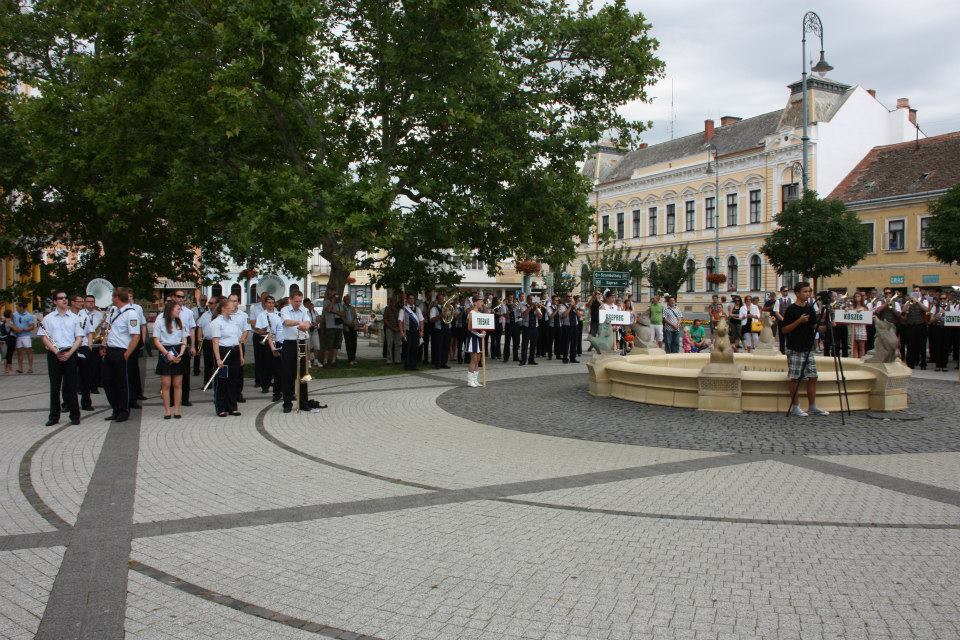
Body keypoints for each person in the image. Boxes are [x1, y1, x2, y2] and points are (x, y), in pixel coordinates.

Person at [782, 281, 829, 417]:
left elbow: (815, 327)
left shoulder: (810, 308)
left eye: (809, 291)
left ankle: (812, 406)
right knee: (795, 378)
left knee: (813, 377)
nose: (808, 294)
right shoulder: (791, 309)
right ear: (797, 293)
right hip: (795, 347)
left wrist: (826, 326)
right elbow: (784, 330)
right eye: (805, 291)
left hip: (808, 347)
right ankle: (795, 407)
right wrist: (799, 321)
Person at [38, 291, 84, 426]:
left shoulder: (74, 317)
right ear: (54, 302)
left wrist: (70, 353)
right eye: (60, 298)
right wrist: (56, 351)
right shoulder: (48, 318)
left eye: (65, 298)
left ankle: (75, 415)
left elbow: (79, 338)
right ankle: (54, 416)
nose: (64, 300)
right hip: (54, 355)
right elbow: (44, 337)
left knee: (71, 386)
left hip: (70, 353)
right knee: (55, 387)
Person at [100, 287, 140, 423]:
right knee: (108, 382)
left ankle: (124, 410)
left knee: (122, 383)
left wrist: (127, 354)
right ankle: (115, 409)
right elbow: (108, 330)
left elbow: (136, 336)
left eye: (113, 296)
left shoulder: (131, 314)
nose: (111, 298)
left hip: (121, 352)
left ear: (117, 297)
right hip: (110, 350)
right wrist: (104, 345)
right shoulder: (113, 311)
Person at [207, 297, 243, 418]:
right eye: (231, 304)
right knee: (222, 380)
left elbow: (238, 340)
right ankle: (220, 407)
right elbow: (215, 342)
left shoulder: (233, 321)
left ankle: (232, 407)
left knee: (233, 380)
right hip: (223, 352)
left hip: (234, 351)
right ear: (223, 308)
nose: (233, 306)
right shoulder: (216, 322)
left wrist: (241, 355)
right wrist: (218, 359)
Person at [153, 299, 188, 419]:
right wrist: (167, 354)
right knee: (166, 384)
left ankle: (177, 410)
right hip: (165, 351)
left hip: (178, 351)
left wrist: (181, 353)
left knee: (177, 383)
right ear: (171, 309)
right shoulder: (160, 321)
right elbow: (156, 340)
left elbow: (184, 340)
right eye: (178, 309)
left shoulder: (180, 322)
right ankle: (167, 410)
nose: (180, 311)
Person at [279, 292, 312, 413]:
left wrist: (305, 324)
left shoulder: (304, 309)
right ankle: (287, 403)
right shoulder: (285, 309)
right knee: (287, 374)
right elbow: (287, 322)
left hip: (302, 342)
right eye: (296, 301)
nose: (298, 304)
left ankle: (304, 402)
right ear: (291, 300)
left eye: (300, 301)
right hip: (289, 344)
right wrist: (299, 322)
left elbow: (307, 323)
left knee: (304, 374)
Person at [170, 290, 197, 407]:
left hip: (185, 342)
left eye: (183, 297)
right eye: (178, 296)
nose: (181, 299)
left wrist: (193, 346)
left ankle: (185, 399)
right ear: (173, 297)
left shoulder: (188, 312)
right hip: (172, 344)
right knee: (171, 373)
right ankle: (171, 400)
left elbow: (192, 330)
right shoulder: (168, 311)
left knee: (185, 373)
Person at [70, 295, 95, 411]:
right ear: (72, 303)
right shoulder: (68, 315)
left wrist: (89, 346)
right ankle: (68, 402)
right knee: (70, 377)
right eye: (79, 301)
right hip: (70, 347)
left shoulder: (85, 315)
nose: (81, 303)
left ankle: (86, 402)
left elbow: (90, 332)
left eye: (82, 301)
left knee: (86, 376)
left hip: (84, 347)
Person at [254, 295, 281, 396]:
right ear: (265, 304)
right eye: (269, 303)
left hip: (277, 340)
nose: (271, 305)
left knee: (277, 364)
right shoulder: (261, 315)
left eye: (272, 303)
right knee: (266, 364)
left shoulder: (278, 314)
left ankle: (277, 385)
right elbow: (258, 330)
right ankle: (265, 385)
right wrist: (265, 332)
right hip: (266, 341)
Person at [464, 296, 486, 387]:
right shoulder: (471, 313)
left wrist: (483, 331)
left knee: (478, 359)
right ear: (475, 303)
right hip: (473, 338)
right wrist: (478, 334)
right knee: (473, 359)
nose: (482, 303)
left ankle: (475, 380)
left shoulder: (480, 313)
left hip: (479, 338)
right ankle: (470, 381)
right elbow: (469, 327)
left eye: (482, 302)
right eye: (480, 301)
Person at [398, 293, 424, 371]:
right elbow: (400, 321)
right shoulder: (403, 309)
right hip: (407, 332)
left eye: (413, 298)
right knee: (407, 349)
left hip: (416, 331)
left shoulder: (417, 309)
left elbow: (421, 320)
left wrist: (422, 330)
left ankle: (413, 365)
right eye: (410, 298)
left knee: (415, 348)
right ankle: (407, 365)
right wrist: (402, 332)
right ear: (407, 299)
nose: (412, 300)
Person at [197, 296, 218, 386]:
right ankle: (207, 383)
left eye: (211, 303)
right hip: (207, 341)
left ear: (216, 304)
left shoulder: (220, 315)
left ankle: (218, 383)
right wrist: (199, 338)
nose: (208, 304)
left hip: (218, 342)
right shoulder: (205, 314)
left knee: (217, 363)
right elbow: (200, 326)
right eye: (208, 303)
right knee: (207, 363)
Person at [12, 301, 35, 374]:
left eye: (17, 306)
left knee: (29, 352)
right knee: (19, 352)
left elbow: (32, 327)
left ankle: (30, 368)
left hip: (26, 336)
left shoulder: (29, 315)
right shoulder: (14, 315)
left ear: (21, 307)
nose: (16, 308)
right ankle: (20, 368)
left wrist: (23, 329)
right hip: (17, 336)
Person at [429, 293, 451, 369]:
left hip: (447, 328)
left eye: (443, 299)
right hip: (438, 329)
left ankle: (444, 363)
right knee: (438, 347)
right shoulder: (434, 309)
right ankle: (437, 363)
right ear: (437, 300)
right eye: (441, 299)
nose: (442, 301)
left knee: (446, 346)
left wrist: (449, 313)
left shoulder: (447, 308)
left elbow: (450, 318)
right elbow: (431, 320)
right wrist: (441, 315)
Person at [928, 292, 950, 371]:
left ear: (947, 299)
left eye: (944, 298)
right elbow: (930, 320)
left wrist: (946, 313)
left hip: (947, 329)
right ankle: (938, 364)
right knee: (937, 346)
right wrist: (936, 316)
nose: (942, 300)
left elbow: (955, 318)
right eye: (941, 299)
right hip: (937, 328)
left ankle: (944, 365)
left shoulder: (951, 307)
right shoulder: (935, 307)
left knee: (946, 347)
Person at [322, 292, 344, 367]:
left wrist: (334, 311)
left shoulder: (339, 304)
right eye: (333, 294)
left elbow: (343, 314)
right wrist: (332, 300)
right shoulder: (326, 302)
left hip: (339, 327)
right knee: (328, 345)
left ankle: (333, 361)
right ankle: (325, 361)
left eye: (335, 294)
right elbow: (328, 309)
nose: (335, 295)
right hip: (330, 326)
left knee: (337, 345)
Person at [520, 296, 542, 365]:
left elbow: (540, 317)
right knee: (525, 345)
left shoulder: (537, 307)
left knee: (533, 344)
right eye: (530, 299)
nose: (532, 301)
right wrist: (530, 307)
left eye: (533, 299)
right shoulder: (524, 306)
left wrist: (536, 308)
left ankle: (531, 359)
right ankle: (523, 360)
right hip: (526, 327)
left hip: (535, 327)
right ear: (527, 300)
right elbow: (524, 315)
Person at [772, 287, 793, 354]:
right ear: (781, 292)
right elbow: (777, 312)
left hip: (790, 322)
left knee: (789, 337)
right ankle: (782, 352)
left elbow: (793, 311)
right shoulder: (778, 301)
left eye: (787, 291)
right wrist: (783, 320)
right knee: (782, 338)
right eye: (784, 291)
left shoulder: (791, 300)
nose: (786, 292)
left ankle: (790, 351)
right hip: (781, 322)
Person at [849, 292, 869, 359]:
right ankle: (855, 361)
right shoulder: (852, 307)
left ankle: (861, 361)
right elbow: (848, 316)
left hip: (861, 328)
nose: (857, 298)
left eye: (858, 296)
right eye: (855, 296)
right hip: (853, 328)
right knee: (854, 347)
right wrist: (846, 310)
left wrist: (862, 312)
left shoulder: (864, 308)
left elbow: (867, 318)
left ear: (861, 298)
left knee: (861, 347)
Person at [192, 295, 208, 376]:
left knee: (207, 353)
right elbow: (192, 323)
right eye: (202, 300)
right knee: (197, 352)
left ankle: (208, 368)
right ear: (199, 300)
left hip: (206, 332)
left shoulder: (209, 310)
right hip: (196, 331)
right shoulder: (194, 310)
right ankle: (196, 370)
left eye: (205, 300)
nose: (203, 302)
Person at [382, 297, 401, 365]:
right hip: (389, 329)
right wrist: (391, 327)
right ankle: (389, 360)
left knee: (398, 344)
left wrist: (399, 328)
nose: (393, 302)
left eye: (394, 301)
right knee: (389, 344)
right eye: (391, 301)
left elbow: (401, 319)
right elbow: (385, 319)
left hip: (398, 329)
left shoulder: (399, 309)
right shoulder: (387, 309)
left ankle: (397, 360)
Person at [342, 294, 358, 364]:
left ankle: (353, 358)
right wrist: (349, 323)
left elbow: (355, 317)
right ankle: (350, 359)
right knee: (348, 343)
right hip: (347, 327)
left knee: (354, 343)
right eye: (347, 299)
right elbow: (342, 318)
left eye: (349, 299)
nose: (349, 301)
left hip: (353, 327)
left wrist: (354, 322)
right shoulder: (342, 308)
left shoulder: (352, 308)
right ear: (344, 300)